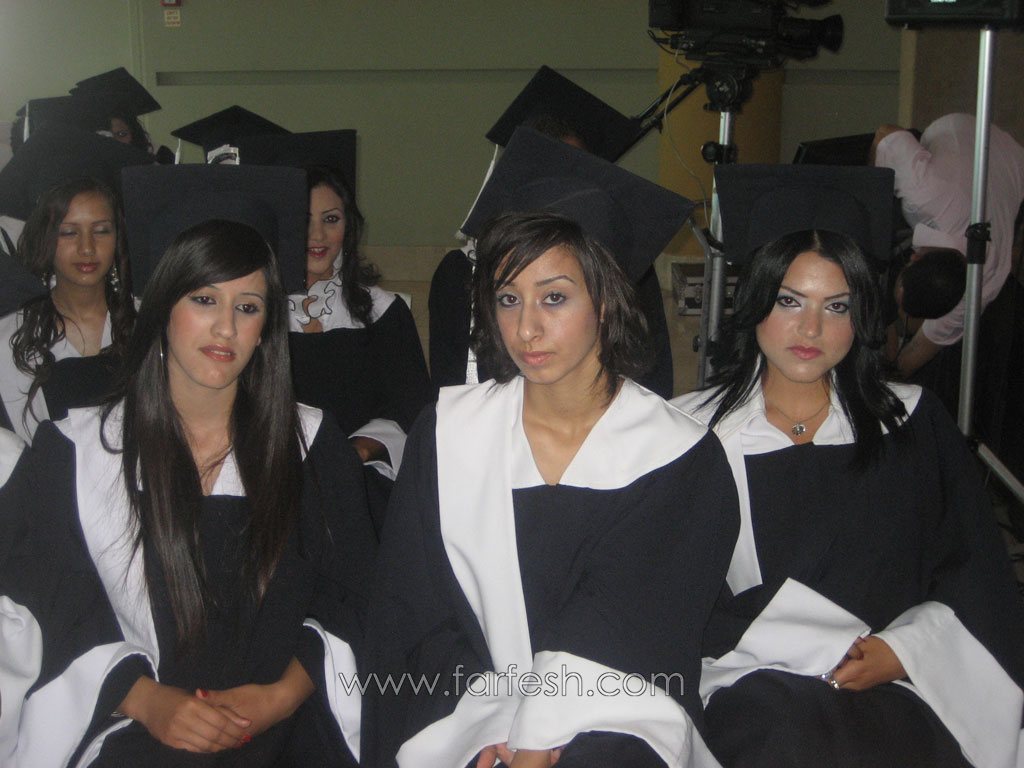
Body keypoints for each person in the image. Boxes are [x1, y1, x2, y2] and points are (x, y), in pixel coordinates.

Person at [362, 128, 738, 768]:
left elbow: (638, 634)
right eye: (508, 299)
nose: (526, 328)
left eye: (554, 297)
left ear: (607, 300)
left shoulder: (676, 456)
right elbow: (411, 614)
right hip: (468, 717)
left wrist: (542, 737)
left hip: (617, 722)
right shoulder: (450, 435)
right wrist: (484, 728)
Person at [0, 165, 376, 766]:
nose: (226, 327)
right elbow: (46, 601)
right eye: (204, 299)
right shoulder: (76, 452)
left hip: (287, 730)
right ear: (160, 306)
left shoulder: (311, 446)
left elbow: (352, 596)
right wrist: (148, 702)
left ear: (267, 326)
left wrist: (278, 698)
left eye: (248, 306)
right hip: (132, 727)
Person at [675, 163, 1024, 768]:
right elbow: (667, 592)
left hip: (900, 683)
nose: (810, 328)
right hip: (749, 680)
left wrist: (905, 650)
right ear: (754, 299)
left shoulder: (910, 422)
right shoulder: (688, 432)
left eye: (836, 306)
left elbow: (974, 569)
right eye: (789, 300)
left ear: (861, 314)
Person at [291, 164, 432, 532]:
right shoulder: (253, 313)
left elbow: (412, 410)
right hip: (275, 486)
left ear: (348, 226)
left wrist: (359, 451)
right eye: (304, 220)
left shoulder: (382, 312)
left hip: (363, 487)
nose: (317, 235)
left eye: (331, 219)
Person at [0, 176, 135, 442]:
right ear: (47, 239)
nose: (87, 248)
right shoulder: (10, 338)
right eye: (69, 232)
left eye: (101, 230)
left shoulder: (151, 321)